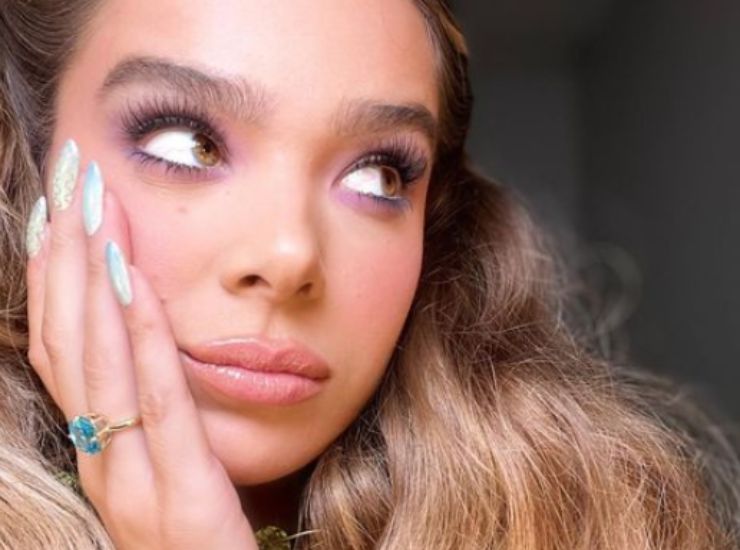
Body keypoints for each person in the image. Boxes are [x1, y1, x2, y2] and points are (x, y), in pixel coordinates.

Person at [0, 1, 738, 549]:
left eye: (378, 175)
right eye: (189, 144)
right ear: (29, 158)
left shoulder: (600, 525)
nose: (290, 257)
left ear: (434, 219)